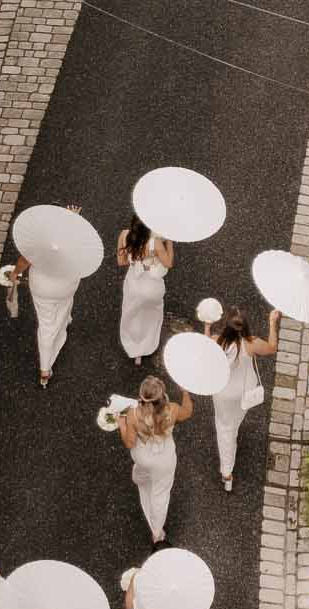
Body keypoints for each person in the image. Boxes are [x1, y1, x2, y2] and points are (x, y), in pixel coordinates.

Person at [9, 203, 87, 385]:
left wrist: (15, 273)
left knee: (46, 325)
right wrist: (72, 219)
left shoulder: (40, 243)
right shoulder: (73, 240)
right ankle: (66, 319)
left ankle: (45, 369)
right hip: (65, 284)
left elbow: (23, 261)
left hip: (42, 286)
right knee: (65, 302)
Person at [208, 306, 280, 493]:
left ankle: (227, 473)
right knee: (235, 419)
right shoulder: (252, 343)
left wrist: (207, 325)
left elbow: (204, 346)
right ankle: (234, 429)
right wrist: (272, 322)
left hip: (223, 393)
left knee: (224, 428)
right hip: (243, 392)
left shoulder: (217, 341)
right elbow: (272, 347)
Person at [117, 376, 192, 544]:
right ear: (162, 396)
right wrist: (185, 392)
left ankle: (142, 483)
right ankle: (157, 532)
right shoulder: (172, 410)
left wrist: (122, 423)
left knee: (142, 475)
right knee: (160, 495)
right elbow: (188, 413)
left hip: (143, 458)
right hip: (164, 460)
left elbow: (129, 443)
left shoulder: (133, 415)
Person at [116, 219, 174, 365]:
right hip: (152, 287)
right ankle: (146, 346)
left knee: (133, 313)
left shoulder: (124, 235)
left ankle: (134, 348)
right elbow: (168, 263)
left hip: (134, 284)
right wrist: (170, 243)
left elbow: (121, 262)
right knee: (150, 316)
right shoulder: (155, 242)